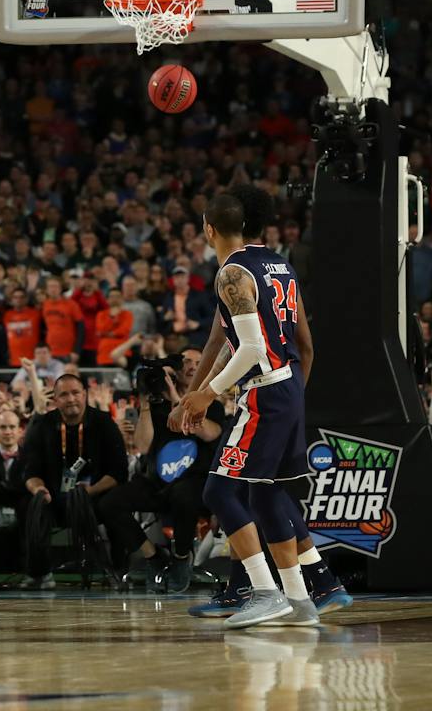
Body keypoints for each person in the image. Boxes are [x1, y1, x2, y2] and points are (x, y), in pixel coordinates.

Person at [172, 183, 350, 618]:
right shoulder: (279, 265)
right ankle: (300, 599)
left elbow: (250, 348)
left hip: (265, 390)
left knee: (218, 491)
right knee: (267, 498)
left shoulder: (231, 274)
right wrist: (291, 399)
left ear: (208, 228)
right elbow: (301, 344)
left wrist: (207, 395)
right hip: (287, 387)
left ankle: (264, 592)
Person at [99, 347, 224, 592]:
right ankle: (154, 556)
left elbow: (210, 433)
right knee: (109, 503)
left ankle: (180, 558)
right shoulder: (157, 407)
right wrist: (146, 403)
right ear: (176, 371)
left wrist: (179, 400)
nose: (191, 366)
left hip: (196, 484)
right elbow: (143, 446)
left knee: (183, 494)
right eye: (186, 361)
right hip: (158, 482)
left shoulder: (213, 406)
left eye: (198, 362)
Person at [20, 373, 128, 589]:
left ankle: (116, 570)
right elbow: (28, 470)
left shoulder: (103, 422)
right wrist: (39, 489)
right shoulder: (42, 425)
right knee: (29, 505)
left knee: (114, 505)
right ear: (56, 399)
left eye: (75, 393)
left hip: (94, 495)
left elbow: (118, 472)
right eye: (64, 394)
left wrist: (91, 490)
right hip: (53, 497)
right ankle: (38, 573)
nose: (71, 399)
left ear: (85, 395)